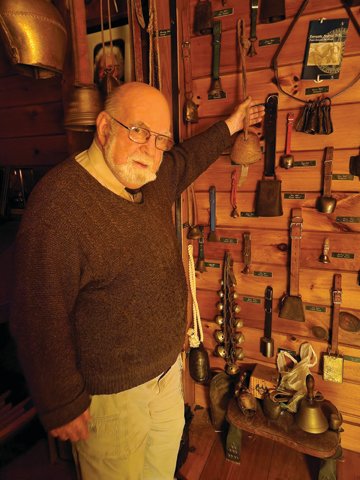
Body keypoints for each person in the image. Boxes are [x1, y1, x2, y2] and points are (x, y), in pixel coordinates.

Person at [10, 82, 264, 480]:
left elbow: (185, 158)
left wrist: (230, 126)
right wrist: (60, 400)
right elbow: (37, 312)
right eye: (139, 131)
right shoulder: (59, 204)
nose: (152, 148)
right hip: (112, 400)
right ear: (104, 127)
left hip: (166, 375)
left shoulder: (151, 178)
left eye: (160, 138)